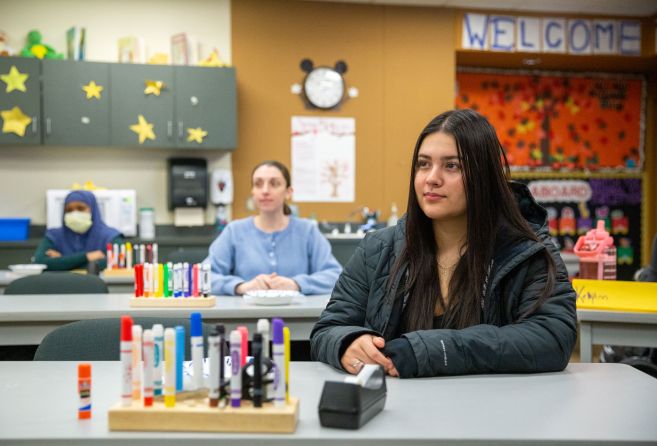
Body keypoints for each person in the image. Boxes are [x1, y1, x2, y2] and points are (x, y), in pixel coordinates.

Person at [310, 109, 577, 378]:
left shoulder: (526, 251)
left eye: (452, 166)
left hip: (495, 411)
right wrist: (348, 343)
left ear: (484, 176)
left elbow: (552, 337)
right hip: (398, 412)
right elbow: (329, 328)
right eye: (423, 164)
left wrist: (433, 350)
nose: (431, 178)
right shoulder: (379, 248)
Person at [208, 160, 342, 295]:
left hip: (298, 314)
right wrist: (240, 287)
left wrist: (296, 284)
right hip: (246, 314)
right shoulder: (234, 231)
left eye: (274, 184)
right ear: (253, 192)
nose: (265, 191)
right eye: (258, 184)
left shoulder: (307, 231)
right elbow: (204, 276)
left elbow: (336, 276)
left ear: (288, 192)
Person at [34, 190, 122, 271]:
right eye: (69, 210)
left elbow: (118, 262)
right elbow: (39, 262)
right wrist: (86, 257)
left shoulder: (110, 236)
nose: (74, 213)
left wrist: (62, 261)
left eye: (80, 208)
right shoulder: (54, 236)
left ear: (93, 210)